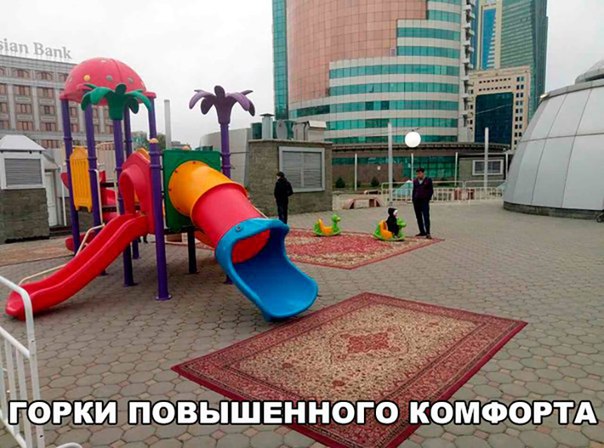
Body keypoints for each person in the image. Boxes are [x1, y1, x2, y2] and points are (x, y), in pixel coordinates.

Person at [412, 167, 433, 239]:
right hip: (416, 201)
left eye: (420, 173)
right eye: (417, 173)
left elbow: (431, 190)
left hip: (424, 201)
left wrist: (427, 198)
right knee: (418, 217)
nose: (419, 175)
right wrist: (413, 199)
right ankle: (422, 231)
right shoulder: (415, 181)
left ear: (423, 173)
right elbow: (414, 190)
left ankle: (428, 232)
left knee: (426, 216)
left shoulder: (428, 180)